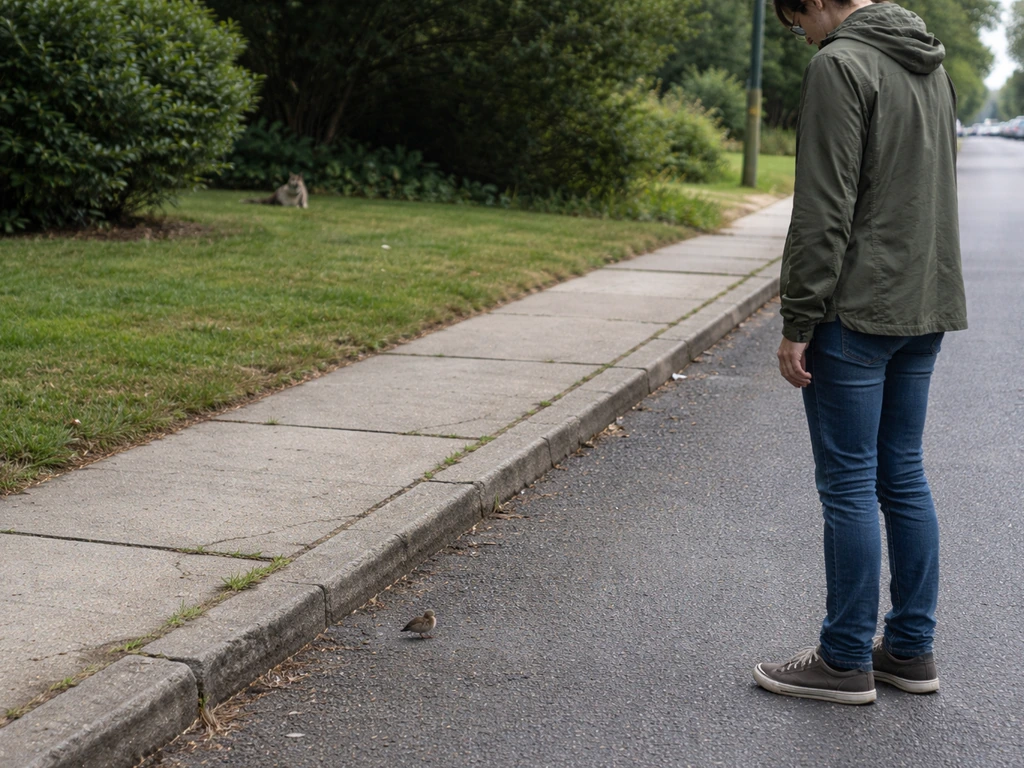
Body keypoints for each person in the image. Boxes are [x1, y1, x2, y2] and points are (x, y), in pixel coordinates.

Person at [752, 0, 967, 704]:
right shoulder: (930, 62)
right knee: (902, 475)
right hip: (923, 299)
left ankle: (843, 659)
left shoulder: (840, 63)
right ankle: (909, 649)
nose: (801, 36)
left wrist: (799, 317)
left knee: (848, 484)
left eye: (796, 21)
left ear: (814, 3)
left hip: (857, 309)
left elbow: (823, 206)